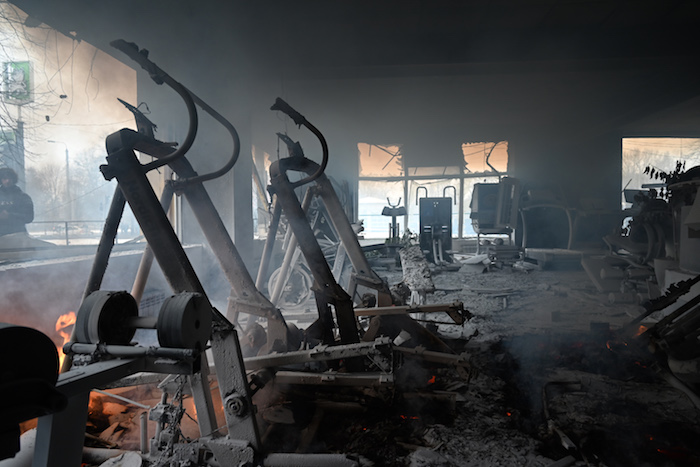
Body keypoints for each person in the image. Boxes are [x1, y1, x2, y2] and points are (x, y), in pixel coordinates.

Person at [0, 167, 34, 236]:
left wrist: (10, 216)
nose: (7, 181)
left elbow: (29, 217)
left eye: (10, 178)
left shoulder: (23, 197)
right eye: (4, 178)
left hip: (18, 237)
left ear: (13, 179)